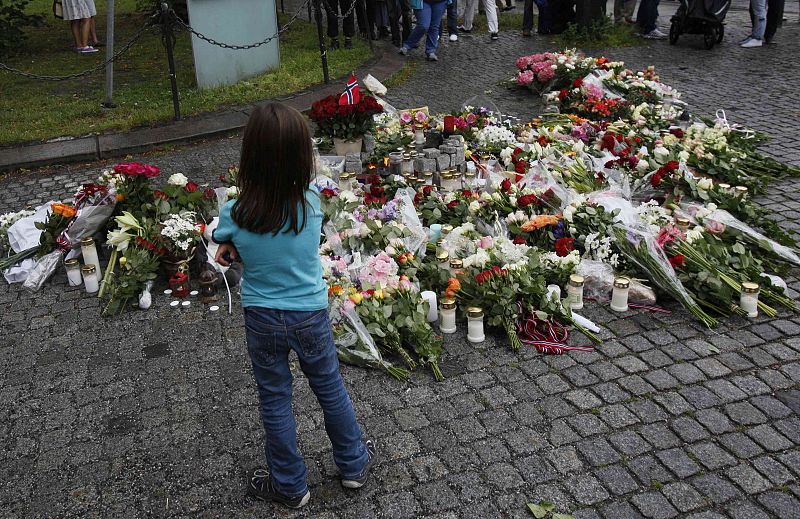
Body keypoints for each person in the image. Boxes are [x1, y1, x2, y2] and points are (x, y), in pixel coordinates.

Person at [213, 103, 377, 510]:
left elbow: (220, 239)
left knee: (274, 398)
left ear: (249, 156)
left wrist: (231, 245)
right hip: (309, 314)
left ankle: (289, 484)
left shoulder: (235, 213)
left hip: (263, 317)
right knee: (329, 388)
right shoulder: (310, 202)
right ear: (302, 154)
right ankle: (353, 464)